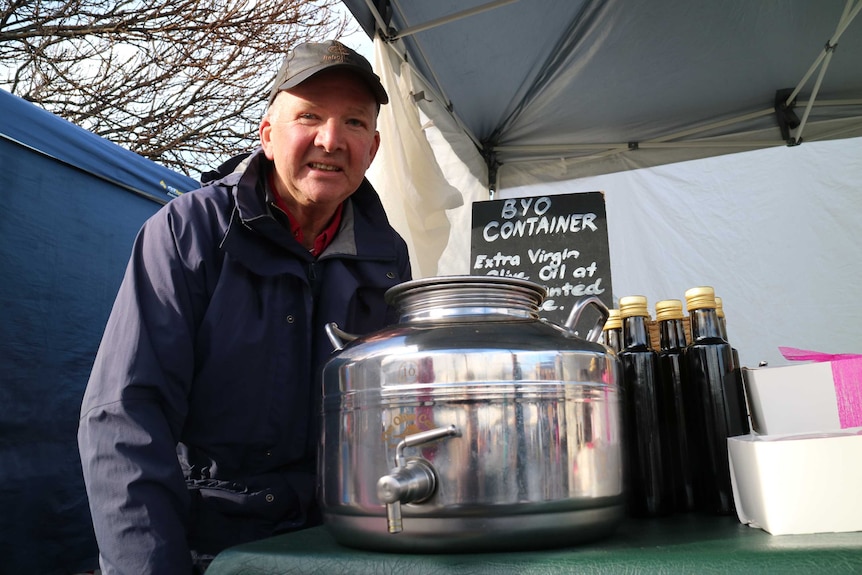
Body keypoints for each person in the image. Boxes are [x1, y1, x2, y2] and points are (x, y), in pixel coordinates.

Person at [78, 40, 411, 574]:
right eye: (309, 116)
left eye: (353, 122)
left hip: (335, 542)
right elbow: (124, 416)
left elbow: (390, 419)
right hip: (204, 545)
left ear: (371, 149)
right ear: (268, 136)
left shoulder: (387, 256)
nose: (331, 140)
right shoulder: (189, 230)